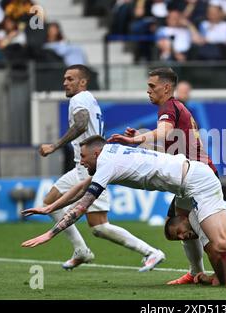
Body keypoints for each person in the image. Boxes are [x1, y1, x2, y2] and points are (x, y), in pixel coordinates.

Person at [21, 136, 226, 285]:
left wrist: (50, 234)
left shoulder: (106, 163)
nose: (82, 162)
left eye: (84, 157)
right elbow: (80, 186)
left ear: (97, 152)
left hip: (198, 182)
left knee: (221, 243)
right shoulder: (110, 153)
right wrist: (49, 207)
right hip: (185, 183)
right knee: (179, 227)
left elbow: (83, 203)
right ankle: (197, 273)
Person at [35, 65, 164, 272]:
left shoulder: (79, 100)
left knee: (99, 227)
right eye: (64, 79)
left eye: (70, 79)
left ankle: (151, 251)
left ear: (83, 82)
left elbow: (81, 124)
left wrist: (54, 146)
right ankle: (81, 250)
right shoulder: (89, 99)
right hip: (82, 165)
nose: (65, 83)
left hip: (91, 167)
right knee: (50, 202)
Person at [108, 68, 218, 285]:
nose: (148, 91)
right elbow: (172, 145)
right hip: (193, 175)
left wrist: (136, 141)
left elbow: (164, 134)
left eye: (152, 86)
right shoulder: (179, 107)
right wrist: (143, 139)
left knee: (204, 228)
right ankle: (197, 272)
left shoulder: (168, 107)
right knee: (180, 224)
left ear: (166, 87)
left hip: (197, 178)